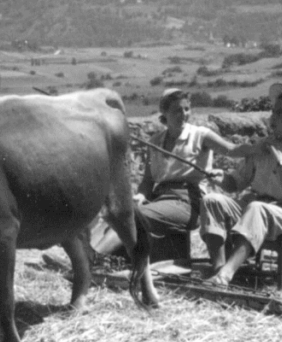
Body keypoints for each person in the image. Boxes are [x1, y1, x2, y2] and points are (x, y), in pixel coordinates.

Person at [91, 88, 241, 259]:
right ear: (164, 112)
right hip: (159, 199)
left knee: (132, 217)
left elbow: (232, 150)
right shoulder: (155, 141)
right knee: (115, 214)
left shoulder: (200, 135)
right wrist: (141, 195)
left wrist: (258, 148)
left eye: (187, 109)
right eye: (177, 110)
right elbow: (148, 181)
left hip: (188, 201)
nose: (184, 114)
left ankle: (94, 259)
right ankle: (92, 256)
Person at [201, 83, 282, 287]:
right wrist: (221, 178)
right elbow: (235, 183)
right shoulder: (262, 148)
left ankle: (226, 275)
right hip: (256, 210)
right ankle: (218, 269)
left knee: (256, 208)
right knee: (211, 201)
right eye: (273, 111)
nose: (272, 117)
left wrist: (281, 159)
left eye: (280, 112)